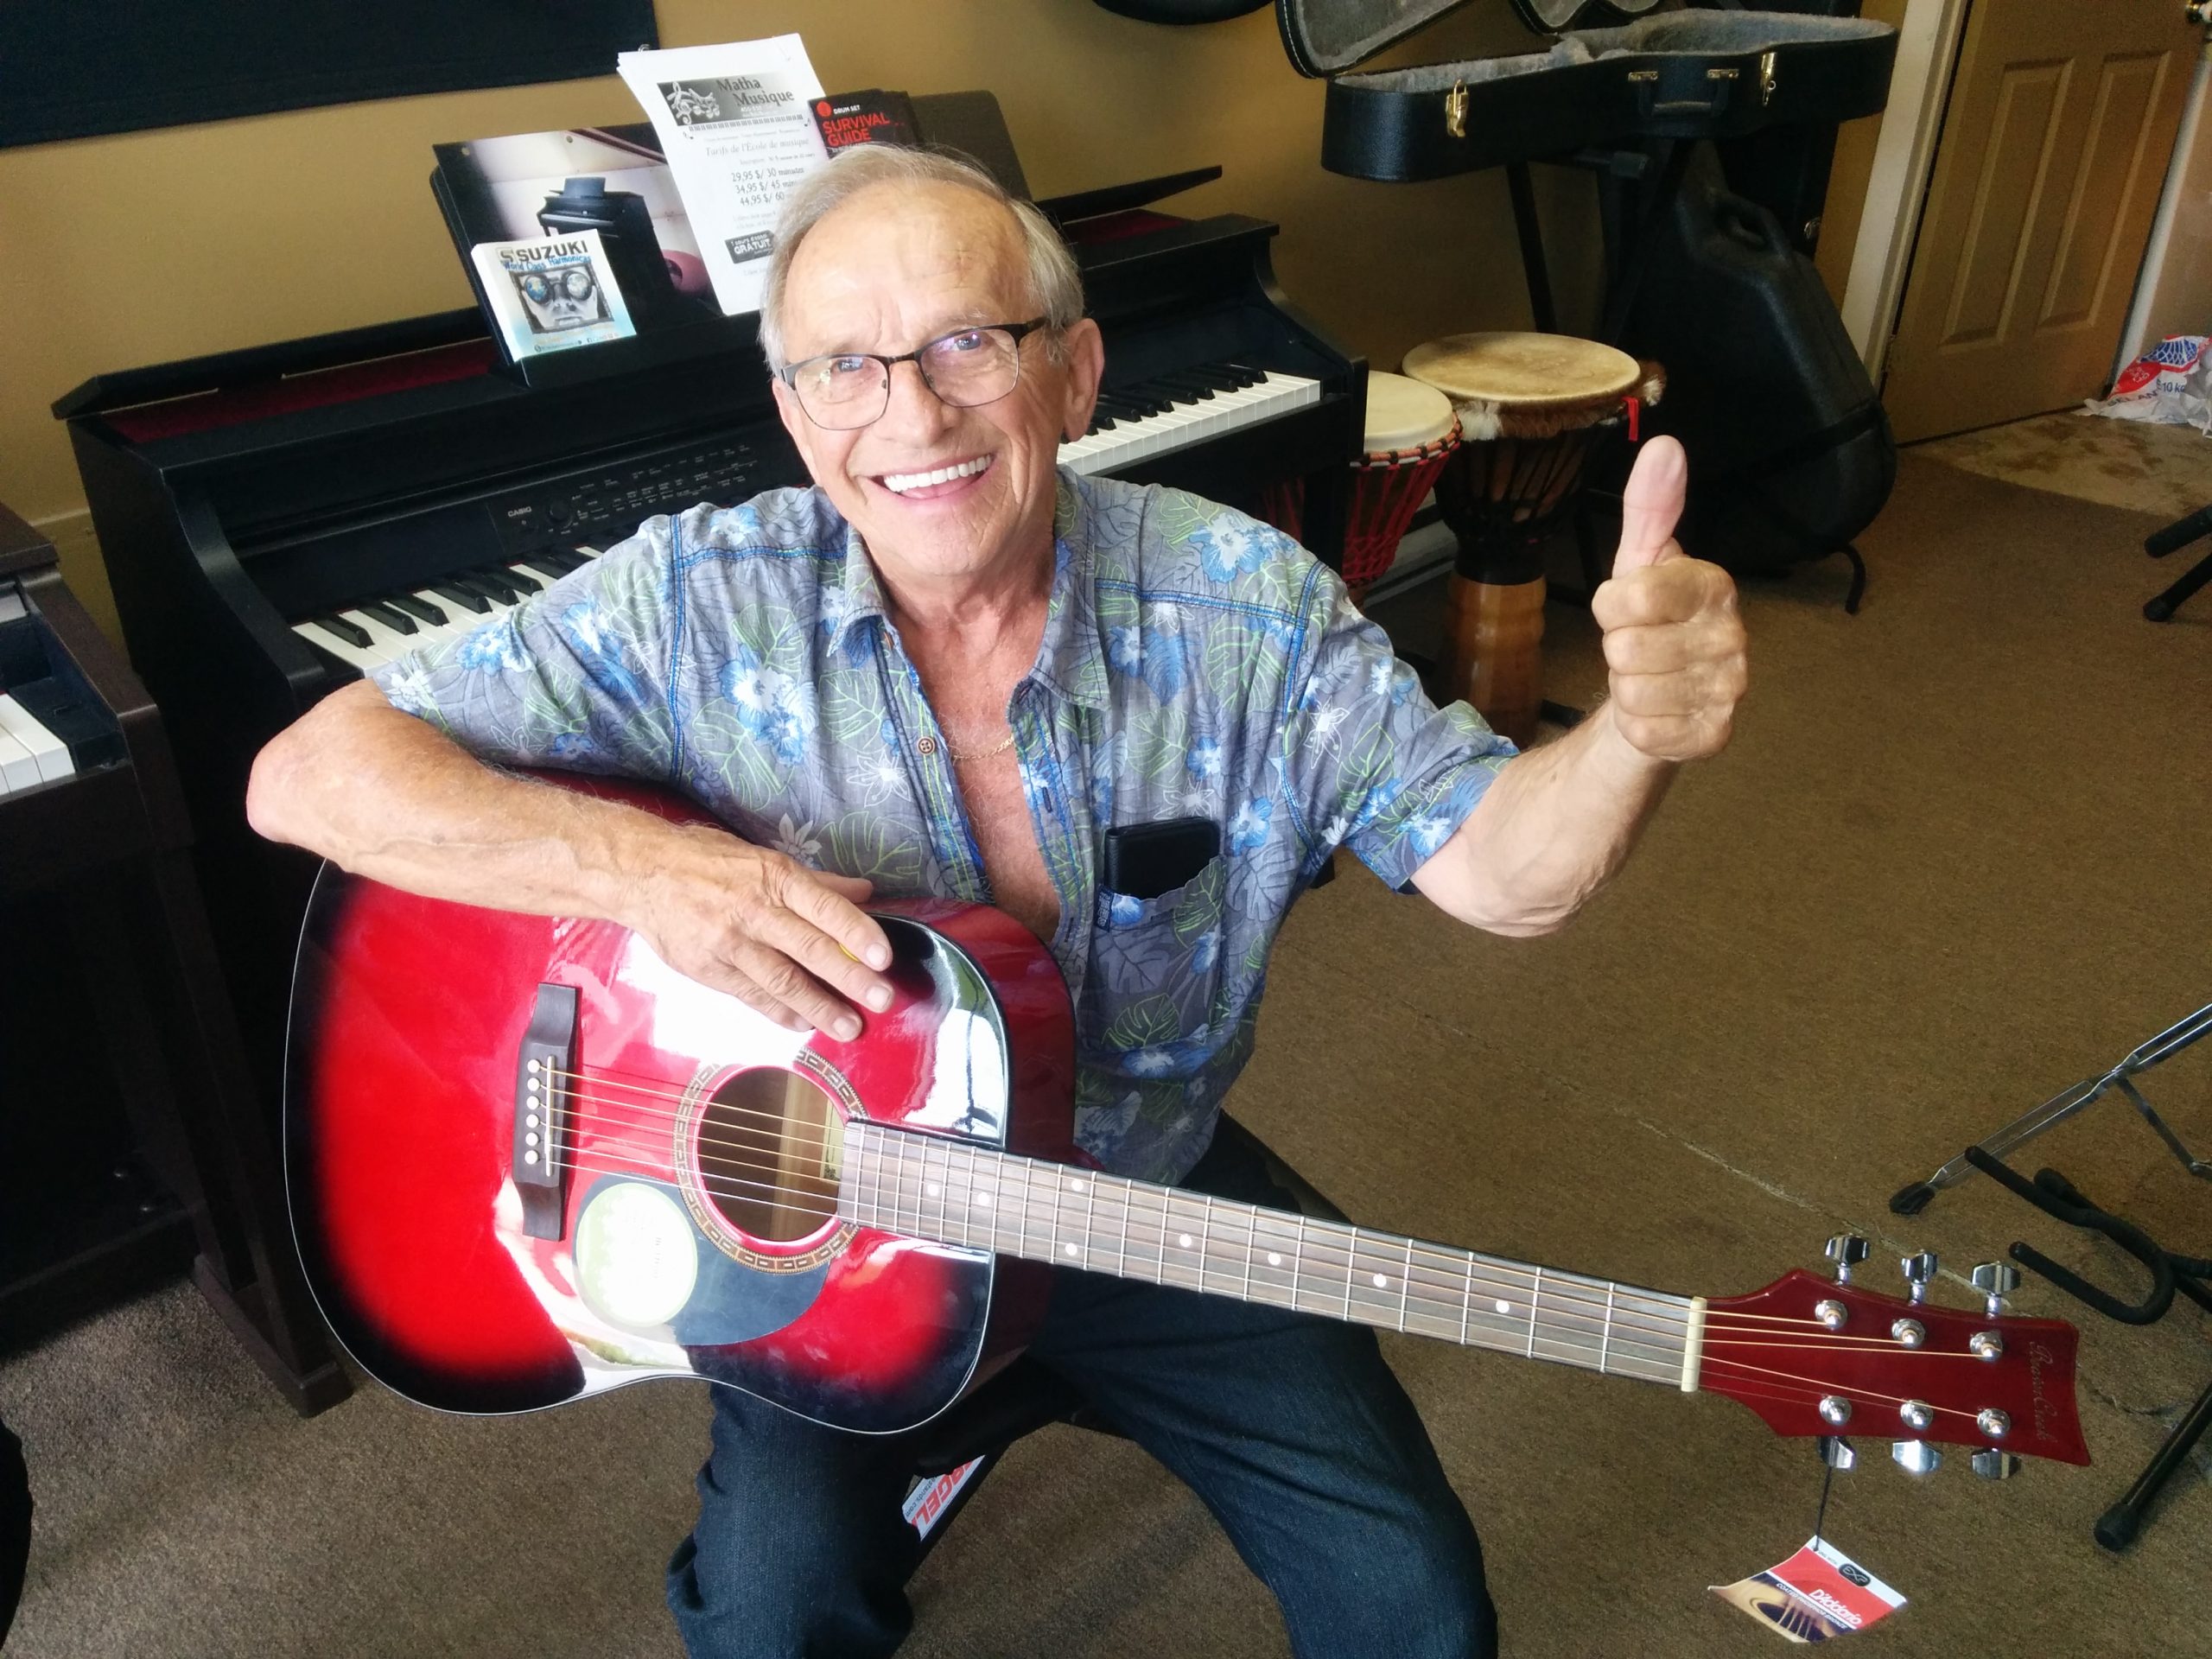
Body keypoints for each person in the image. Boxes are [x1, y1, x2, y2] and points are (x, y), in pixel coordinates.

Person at [247, 143, 1746, 1658]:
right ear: (792, 412)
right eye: (845, 366)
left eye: (970, 342)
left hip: (1140, 1195)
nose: (912, 415)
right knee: (768, 1622)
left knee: (1418, 1610)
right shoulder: (693, 604)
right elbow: (307, 776)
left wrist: (1634, 736)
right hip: (820, 1236)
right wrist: (651, 869)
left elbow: (1502, 871)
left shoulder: (1250, 611)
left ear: (1079, 372)